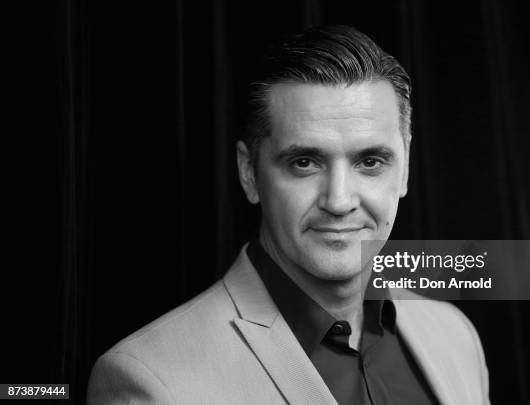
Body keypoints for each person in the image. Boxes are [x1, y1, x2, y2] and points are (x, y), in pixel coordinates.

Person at [87, 25, 490, 405]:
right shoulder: (152, 380)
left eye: (370, 161)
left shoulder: (454, 335)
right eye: (304, 162)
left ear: (404, 170)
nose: (339, 200)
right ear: (249, 173)